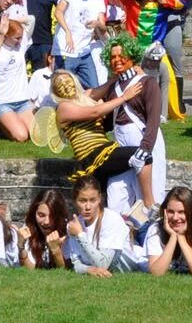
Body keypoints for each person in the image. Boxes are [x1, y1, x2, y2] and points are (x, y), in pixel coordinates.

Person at [51, 69, 155, 215]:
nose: (65, 86)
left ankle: (134, 215)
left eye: (66, 80)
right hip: (92, 156)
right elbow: (96, 112)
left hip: (104, 152)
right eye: (60, 84)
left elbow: (97, 91)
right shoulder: (63, 108)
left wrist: (120, 74)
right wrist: (124, 97)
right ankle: (149, 204)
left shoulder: (83, 99)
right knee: (142, 155)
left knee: (104, 208)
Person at [96, 35, 168, 219]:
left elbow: (153, 120)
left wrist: (145, 150)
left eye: (122, 56)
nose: (117, 60)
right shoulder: (113, 86)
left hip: (144, 142)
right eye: (113, 57)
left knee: (150, 199)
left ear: (132, 56)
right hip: (121, 145)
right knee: (116, 196)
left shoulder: (147, 83)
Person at [64, 177, 137, 275]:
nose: (88, 207)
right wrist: (89, 270)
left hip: (138, 267)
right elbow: (75, 264)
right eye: (82, 201)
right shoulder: (73, 226)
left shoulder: (111, 219)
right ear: (74, 201)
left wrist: (81, 235)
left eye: (92, 200)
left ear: (99, 198)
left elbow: (103, 264)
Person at [54, 0, 109, 90]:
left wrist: (97, 24)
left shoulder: (98, 0)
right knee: (62, 89)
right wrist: (67, 32)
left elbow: (103, 28)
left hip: (84, 52)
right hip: (66, 51)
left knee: (94, 88)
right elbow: (58, 12)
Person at [144, 185, 192, 276]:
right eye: (171, 212)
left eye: (181, 212)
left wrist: (181, 237)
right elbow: (156, 273)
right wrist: (173, 237)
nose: (175, 218)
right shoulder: (156, 229)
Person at [0, 11, 37, 143]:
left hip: (23, 101)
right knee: (22, 136)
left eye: (21, 37)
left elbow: (31, 19)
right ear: (7, 35)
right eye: (16, 38)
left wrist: (10, 20)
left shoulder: (20, 46)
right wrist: (2, 29)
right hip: (4, 102)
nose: (20, 40)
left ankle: (12, 121)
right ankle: (0, 125)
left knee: (36, 135)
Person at [20, 189, 69, 270]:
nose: (47, 222)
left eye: (52, 216)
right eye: (41, 215)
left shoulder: (67, 231)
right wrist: (21, 246)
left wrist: (56, 250)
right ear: (34, 213)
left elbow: (65, 273)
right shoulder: (29, 228)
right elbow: (30, 270)